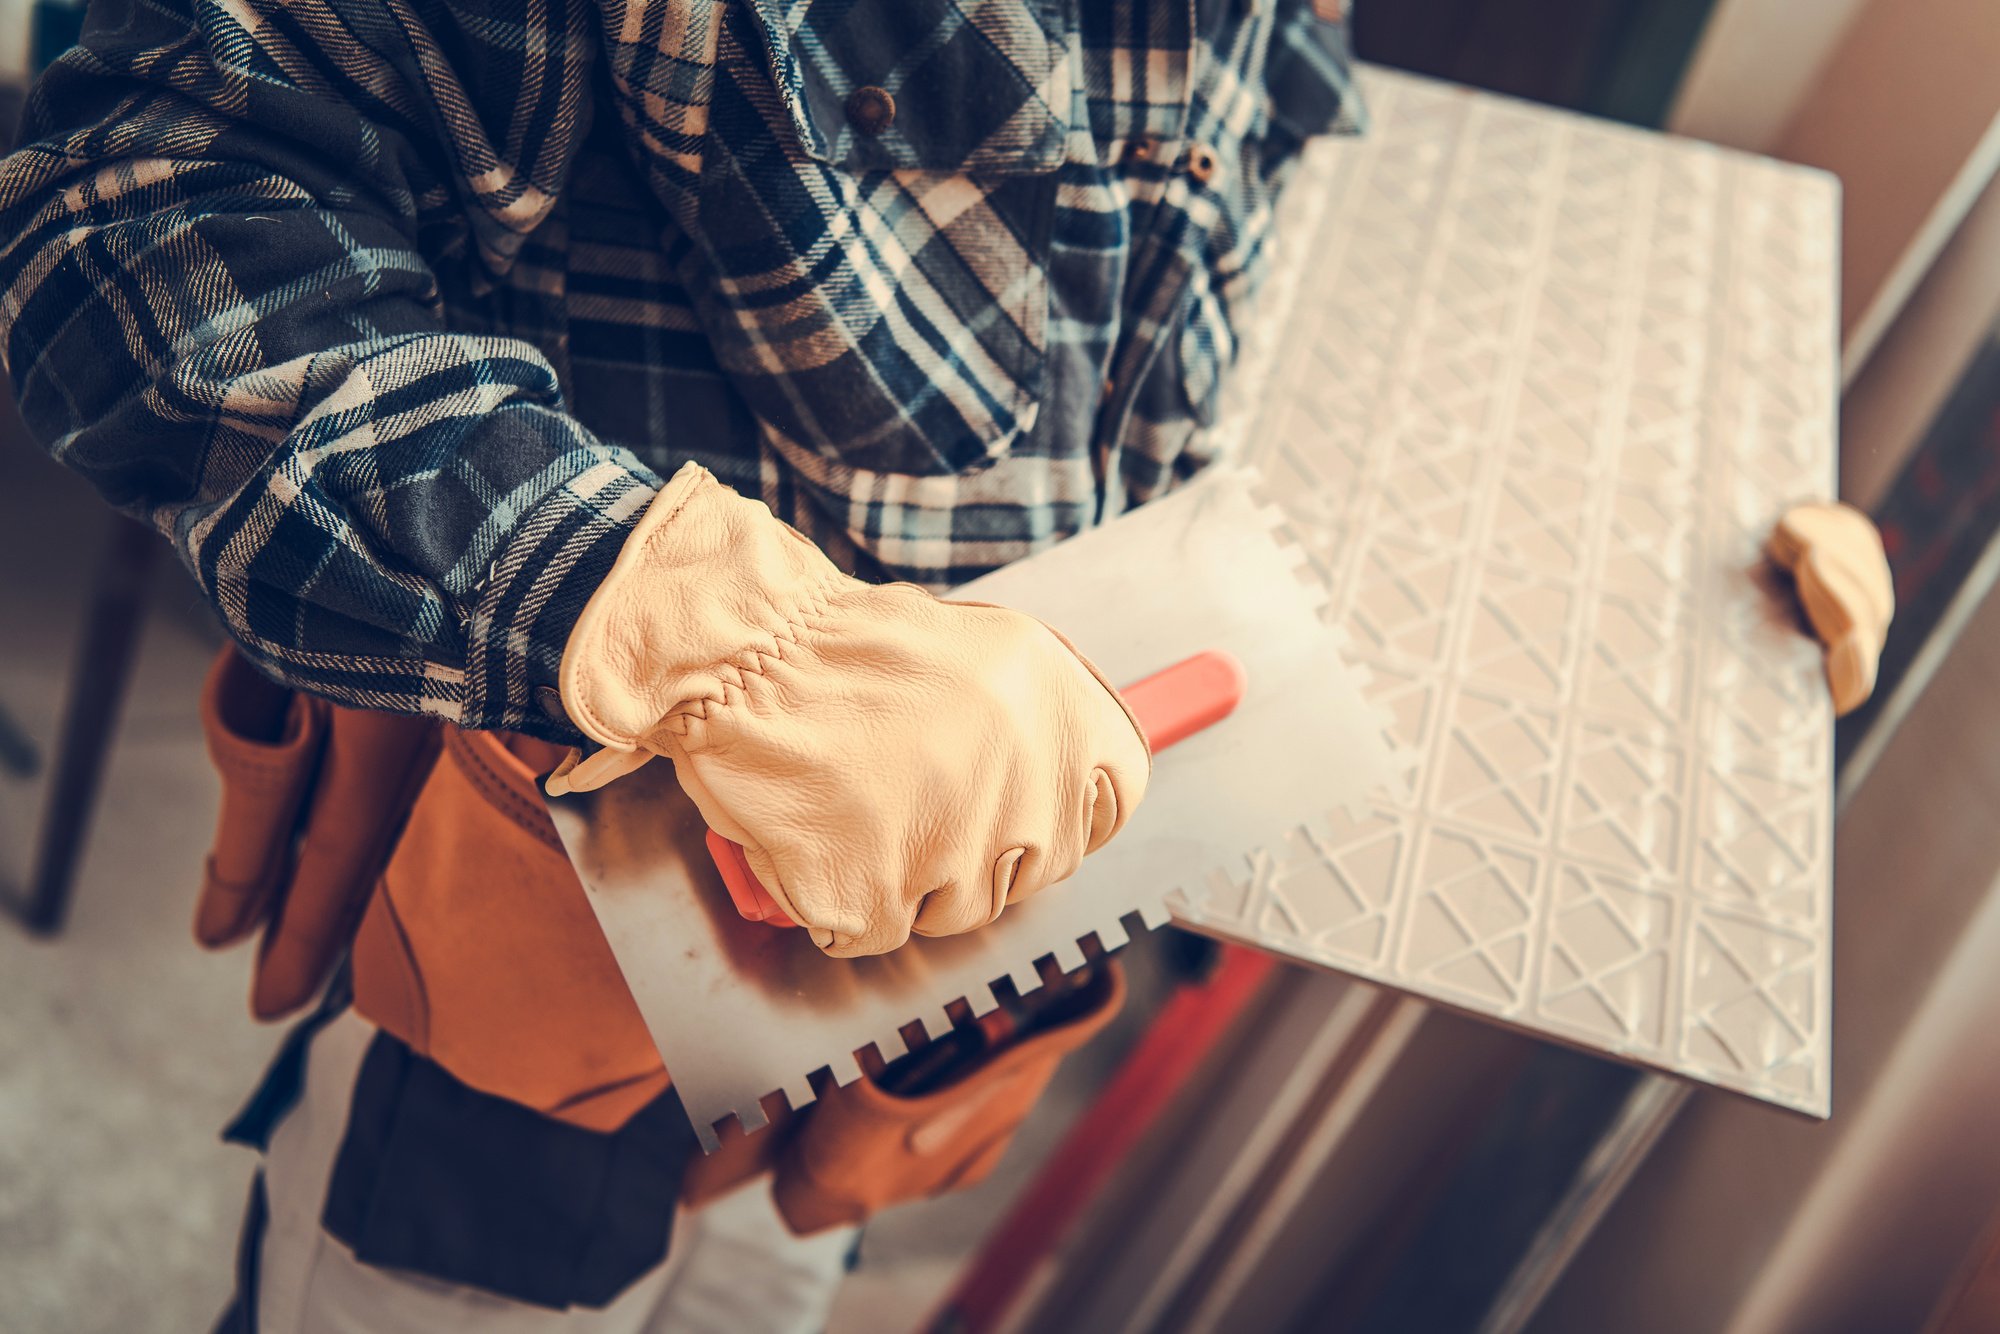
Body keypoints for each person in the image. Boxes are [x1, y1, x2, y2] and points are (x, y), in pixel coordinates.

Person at [0, 1, 1884, 1329]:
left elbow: (1203, 303)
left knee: (764, 1279)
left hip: (932, 975)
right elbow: (137, 198)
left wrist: (1674, 571)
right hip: (564, 972)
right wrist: (682, 619)